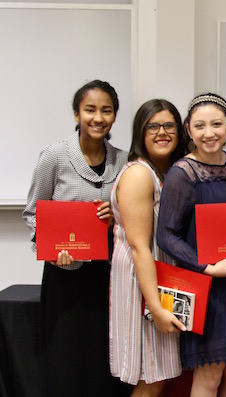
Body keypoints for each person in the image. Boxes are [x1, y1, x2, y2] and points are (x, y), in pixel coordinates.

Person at [22, 79, 128, 397]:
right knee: (65, 359)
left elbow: (132, 215)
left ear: (114, 116)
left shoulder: (123, 160)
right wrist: (49, 250)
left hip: (108, 276)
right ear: (76, 114)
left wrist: (115, 216)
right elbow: (32, 213)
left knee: (102, 358)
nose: (98, 118)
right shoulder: (54, 156)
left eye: (106, 111)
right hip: (64, 274)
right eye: (90, 110)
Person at [157, 93, 226, 397]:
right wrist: (207, 267)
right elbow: (166, 235)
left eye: (216, 124)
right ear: (189, 130)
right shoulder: (183, 174)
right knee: (209, 378)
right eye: (200, 126)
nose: (209, 133)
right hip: (206, 288)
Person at [109, 99, 188, 396]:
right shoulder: (140, 174)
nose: (162, 132)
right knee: (151, 377)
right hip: (143, 285)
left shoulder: (167, 172)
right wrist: (154, 307)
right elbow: (140, 247)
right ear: (140, 133)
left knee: (159, 375)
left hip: (160, 280)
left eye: (169, 125)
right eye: (152, 126)